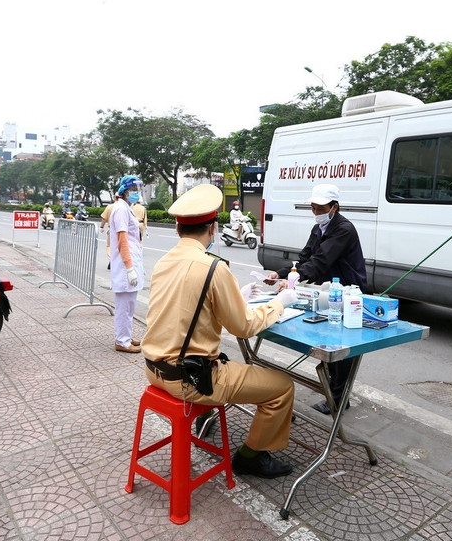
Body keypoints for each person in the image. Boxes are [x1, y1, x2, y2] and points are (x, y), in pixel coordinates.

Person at [142, 183, 300, 479]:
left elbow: (187, 306)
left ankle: (208, 421)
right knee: (282, 386)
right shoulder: (213, 267)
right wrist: (279, 303)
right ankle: (251, 457)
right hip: (191, 380)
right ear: (213, 229)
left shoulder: (164, 262)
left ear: (178, 229)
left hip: (154, 370)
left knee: (227, 360)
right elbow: (243, 326)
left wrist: (237, 296)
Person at [265, 183, 366, 415]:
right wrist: (281, 274)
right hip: (328, 291)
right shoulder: (318, 229)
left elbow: (320, 261)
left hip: (348, 291)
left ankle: (338, 399)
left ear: (334, 207)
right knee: (330, 340)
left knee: (343, 345)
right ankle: (335, 393)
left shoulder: (344, 229)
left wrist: (296, 276)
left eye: (320, 209)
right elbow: (305, 258)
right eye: (313, 208)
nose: (316, 213)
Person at [109, 175, 146, 353]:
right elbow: (122, 241)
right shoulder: (121, 210)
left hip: (130, 262)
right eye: (133, 190)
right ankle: (122, 341)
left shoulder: (126, 207)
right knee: (124, 307)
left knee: (129, 305)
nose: (136, 193)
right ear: (124, 191)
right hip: (125, 266)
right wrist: (130, 268)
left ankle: (126, 335)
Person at [100, 198, 117, 269]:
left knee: (109, 246)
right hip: (123, 230)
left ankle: (111, 259)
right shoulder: (126, 207)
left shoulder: (109, 207)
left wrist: (101, 226)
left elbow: (104, 218)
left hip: (112, 230)